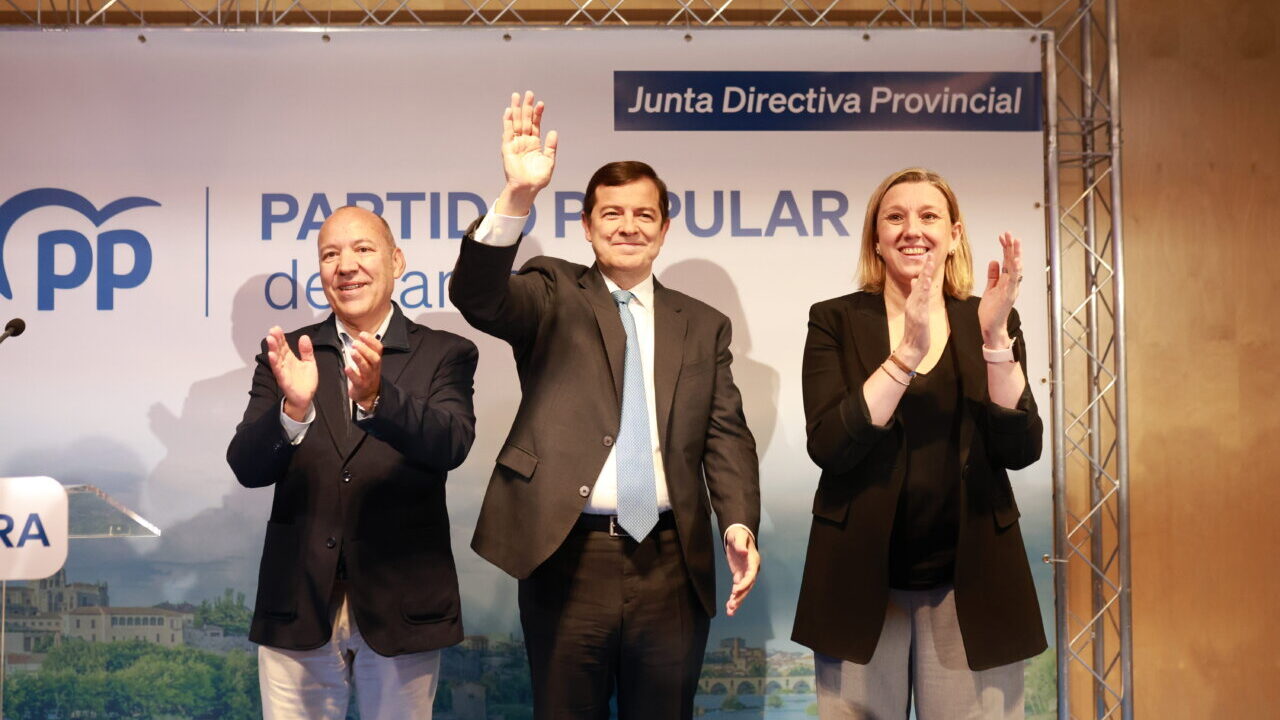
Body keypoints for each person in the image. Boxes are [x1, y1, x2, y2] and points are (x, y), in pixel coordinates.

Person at [450, 92, 762, 720]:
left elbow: (725, 435)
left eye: (644, 214)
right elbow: (478, 296)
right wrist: (517, 195)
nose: (628, 226)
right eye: (611, 213)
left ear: (665, 227)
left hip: (672, 562)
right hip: (568, 555)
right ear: (587, 226)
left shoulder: (703, 325)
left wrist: (738, 521)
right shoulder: (552, 290)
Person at [792, 168, 1046, 719]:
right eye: (895, 217)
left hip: (972, 584)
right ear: (876, 239)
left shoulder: (987, 317)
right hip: (860, 583)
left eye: (929, 216)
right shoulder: (834, 319)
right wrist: (906, 352)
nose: (913, 229)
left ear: (954, 235)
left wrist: (997, 339)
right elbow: (832, 445)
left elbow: (1021, 448)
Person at [227, 205, 478, 720]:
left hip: (401, 602)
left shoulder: (445, 353)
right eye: (330, 254)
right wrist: (292, 410)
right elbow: (248, 467)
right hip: (298, 601)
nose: (346, 266)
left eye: (363, 249)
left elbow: (450, 443)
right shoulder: (287, 355)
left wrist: (378, 398)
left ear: (397, 261)